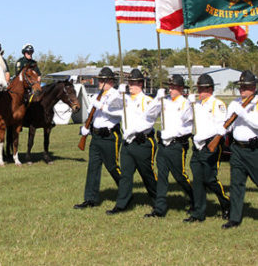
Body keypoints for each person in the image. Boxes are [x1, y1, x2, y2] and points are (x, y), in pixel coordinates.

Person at [106, 68, 158, 215]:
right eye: (129, 83)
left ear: (141, 84)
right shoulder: (125, 99)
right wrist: (118, 93)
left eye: (134, 83)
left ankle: (158, 201)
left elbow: (150, 120)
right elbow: (111, 106)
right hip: (128, 143)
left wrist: (137, 131)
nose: (130, 85)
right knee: (126, 176)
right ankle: (122, 204)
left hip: (142, 141)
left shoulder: (147, 100)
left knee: (147, 174)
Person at [143, 74, 194, 218]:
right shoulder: (164, 101)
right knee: (162, 176)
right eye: (169, 86)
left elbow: (187, 118)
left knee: (180, 176)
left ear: (181, 89)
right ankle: (159, 209)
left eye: (173, 87)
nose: (170, 89)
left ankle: (195, 198)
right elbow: (149, 113)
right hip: (164, 144)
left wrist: (191, 104)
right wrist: (157, 99)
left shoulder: (185, 103)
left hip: (177, 144)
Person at [183, 73, 230, 223]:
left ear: (210, 89)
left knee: (210, 179)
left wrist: (203, 137)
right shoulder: (196, 105)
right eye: (198, 89)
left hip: (211, 145)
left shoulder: (218, 104)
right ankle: (198, 213)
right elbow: (185, 118)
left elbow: (221, 126)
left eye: (202, 89)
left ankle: (226, 202)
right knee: (197, 180)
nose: (200, 92)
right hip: (197, 147)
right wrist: (188, 105)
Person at [73, 67, 122, 209]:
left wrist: (99, 105)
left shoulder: (116, 95)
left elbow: (116, 113)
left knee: (112, 167)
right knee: (93, 167)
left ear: (111, 81)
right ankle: (90, 199)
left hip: (109, 136)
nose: (99, 82)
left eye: (103, 80)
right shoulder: (96, 95)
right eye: (99, 80)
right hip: (96, 136)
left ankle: (125, 191)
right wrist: (86, 128)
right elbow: (90, 115)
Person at [222, 70, 258, 229]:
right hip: (237, 149)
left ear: (254, 87)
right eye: (241, 87)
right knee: (236, 184)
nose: (243, 90)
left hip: (253, 149)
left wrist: (244, 114)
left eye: (246, 87)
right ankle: (235, 218)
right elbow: (228, 124)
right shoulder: (235, 103)